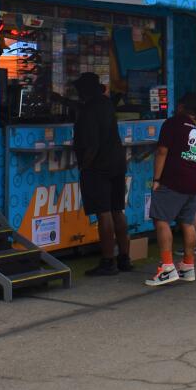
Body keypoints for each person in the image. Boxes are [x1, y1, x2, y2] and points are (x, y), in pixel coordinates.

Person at [146, 93, 196, 287]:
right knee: (188, 223)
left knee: (161, 220)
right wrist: (191, 159)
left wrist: (156, 179)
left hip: (172, 180)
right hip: (194, 182)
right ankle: (188, 266)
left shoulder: (173, 123)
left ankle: (167, 267)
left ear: (181, 106)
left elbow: (162, 151)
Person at [72, 73, 133, 276]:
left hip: (99, 166)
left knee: (104, 213)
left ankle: (108, 261)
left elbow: (92, 144)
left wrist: (84, 166)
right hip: (117, 162)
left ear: (84, 91)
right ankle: (124, 258)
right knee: (118, 210)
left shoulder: (88, 110)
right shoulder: (106, 104)